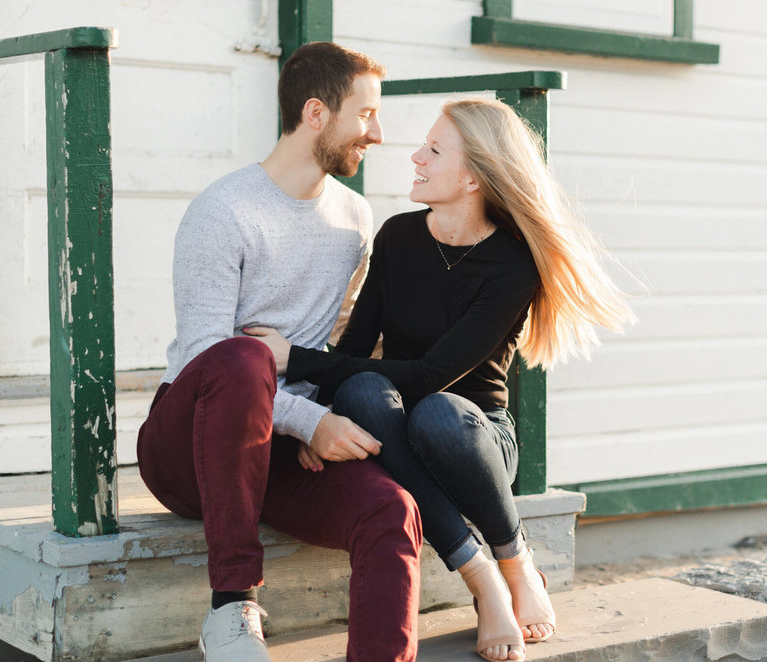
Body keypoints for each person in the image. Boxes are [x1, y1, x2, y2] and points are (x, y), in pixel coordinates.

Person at [246, 98, 634, 662]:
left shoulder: (513, 264)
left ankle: (515, 560)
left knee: (437, 411)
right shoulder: (400, 236)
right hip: (396, 428)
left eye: (433, 149)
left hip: (472, 437)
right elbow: (356, 348)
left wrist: (296, 359)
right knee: (359, 392)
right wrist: (317, 420)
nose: (414, 156)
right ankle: (481, 577)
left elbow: (431, 376)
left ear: (473, 175)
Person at [136, 42, 423, 662]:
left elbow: (342, 342)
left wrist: (313, 417)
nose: (378, 133)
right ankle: (232, 607)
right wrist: (309, 420)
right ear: (316, 113)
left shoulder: (354, 217)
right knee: (244, 359)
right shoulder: (225, 210)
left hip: (279, 452)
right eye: (367, 114)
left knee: (391, 509)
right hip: (188, 448)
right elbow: (204, 353)